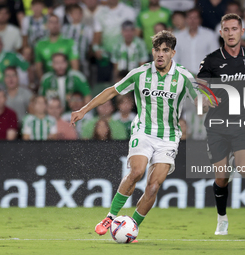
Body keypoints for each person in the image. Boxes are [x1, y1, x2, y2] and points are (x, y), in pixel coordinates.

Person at [70, 31, 208, 236]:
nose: (160, 54)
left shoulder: (184, 76)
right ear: (152, 51)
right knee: (137, 172)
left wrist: (204, 105)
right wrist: (83, 110)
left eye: (165, 50)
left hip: (169, 137)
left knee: (153, 187)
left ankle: (130, 228)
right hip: (143, 130)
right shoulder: (140, 73)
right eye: (157, 50)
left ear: (173, 53)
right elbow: (111, 91)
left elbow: (200, 103)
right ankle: (110, 217)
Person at [197, 14, 245, 235]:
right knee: (221, 178)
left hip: (243, 123)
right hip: (217, 125)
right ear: (221, 33)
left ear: (242, 31)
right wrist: (203, 102)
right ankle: (222, 218)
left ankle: (238, 157)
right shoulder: (210, 60)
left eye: (234, 29)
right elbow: (200, 87)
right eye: (226, 29)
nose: (230, 33)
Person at [174, 8, 219, 74]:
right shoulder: (177, 37)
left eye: (195, 18)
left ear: (200, 20)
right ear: (185, 19)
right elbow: (174, 59)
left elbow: (215, 58)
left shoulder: (210, 35)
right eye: (190, 18)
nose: (192, 21)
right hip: (184, 77)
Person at [34, 14, 79, 79]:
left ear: (60, 25)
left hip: (67, 78)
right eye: (51, 22)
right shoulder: (40, 44)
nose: (54, 25)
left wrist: (72, 82)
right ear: (47, 25)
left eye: (56, 22)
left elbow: (75, 66)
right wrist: (43, 82)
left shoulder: (69, 42)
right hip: (49, 80)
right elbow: (38, 67)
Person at [62, 4, 93, 77]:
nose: (77, 15)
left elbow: (90, 44)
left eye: (79, 13)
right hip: (67, 61)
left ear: (82, 15)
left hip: (83, 60)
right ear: (70, 15)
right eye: (74, 13)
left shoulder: (87, 29)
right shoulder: (65, 29)